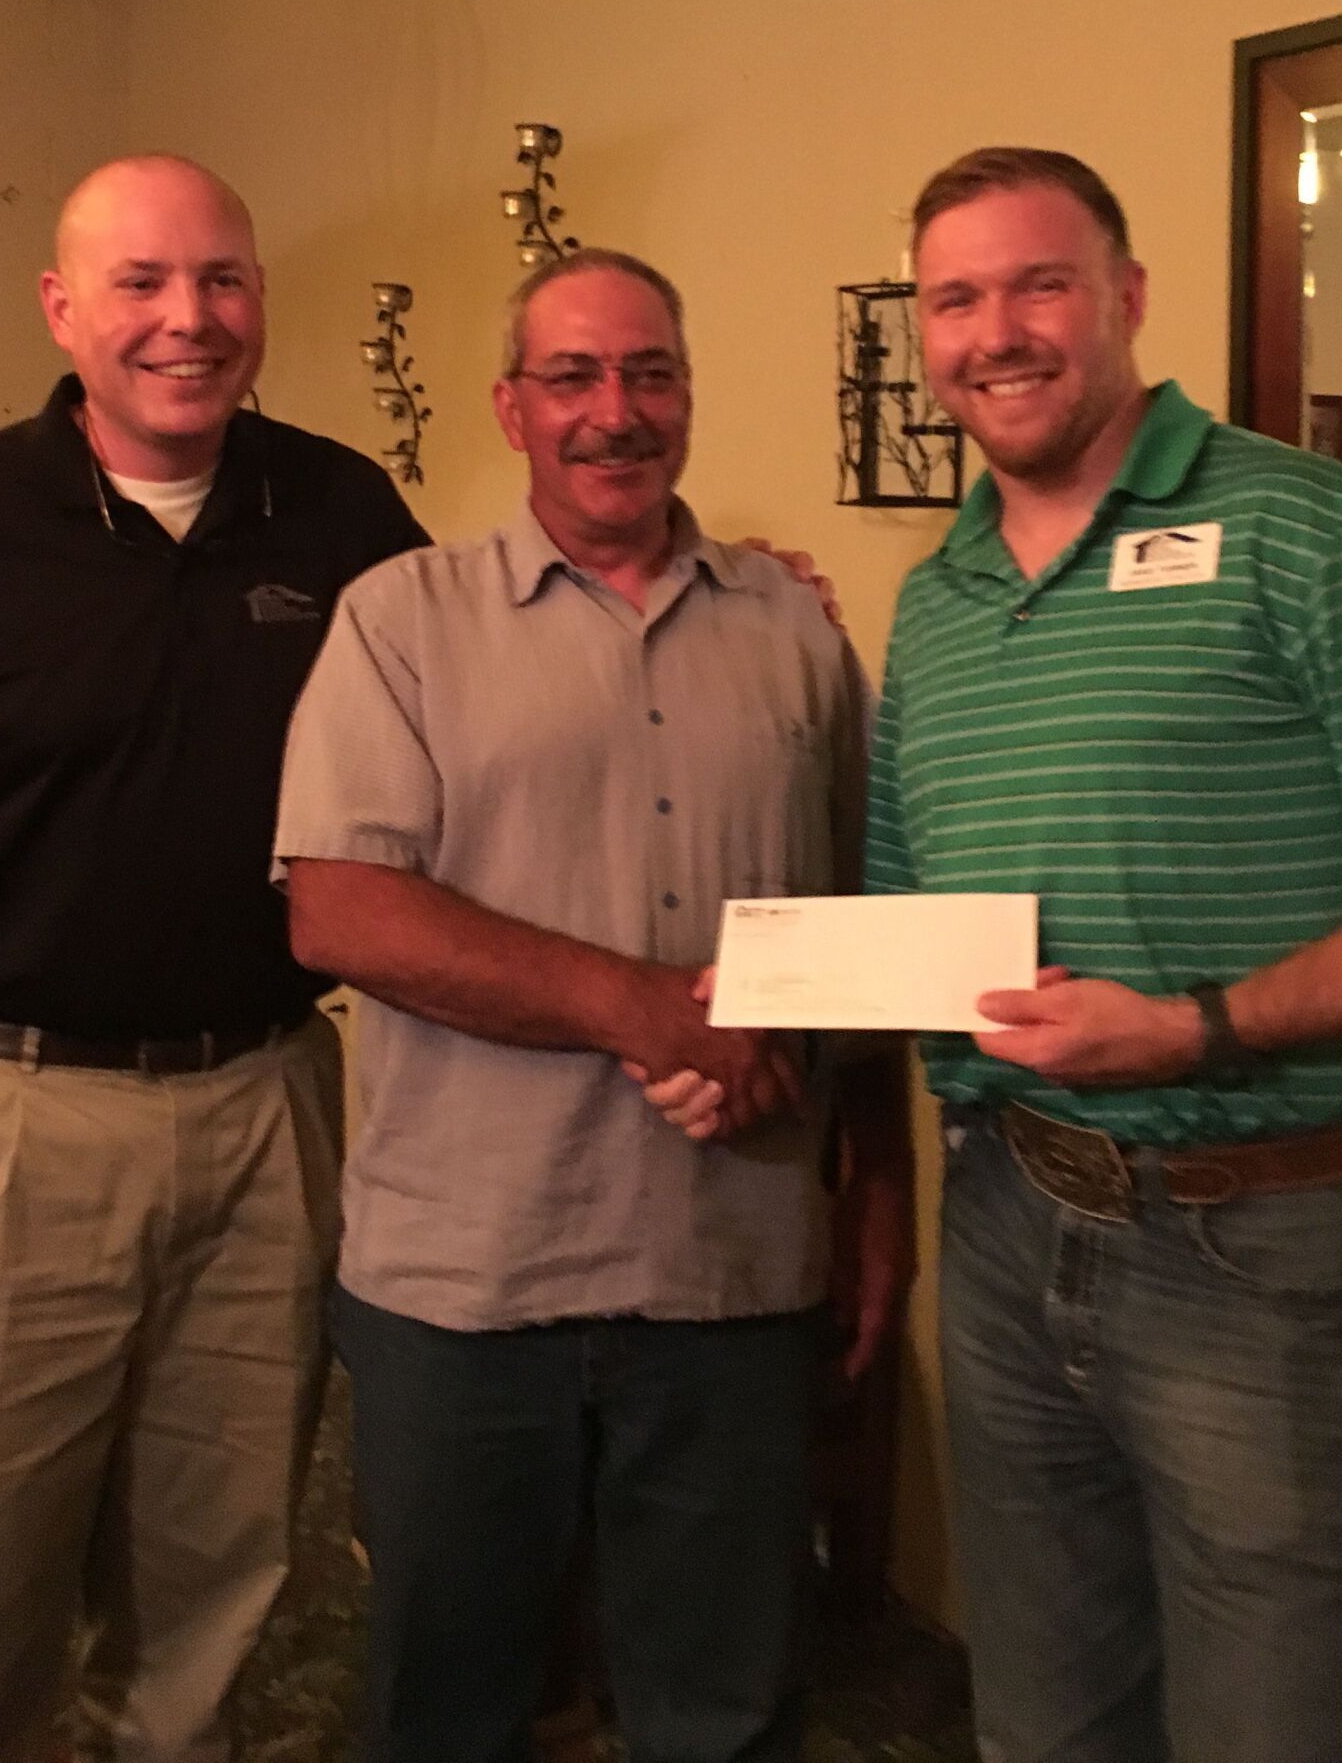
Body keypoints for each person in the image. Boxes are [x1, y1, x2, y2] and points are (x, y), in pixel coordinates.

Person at [866, 144, 1342, 1763]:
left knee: (1291, 1732)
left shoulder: (1314, 533)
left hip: (1270, 1254)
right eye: (955, 299)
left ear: (1123, 296)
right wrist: (743, 1016)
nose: (997, 332)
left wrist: (1200, 1027)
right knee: (1048, 1723)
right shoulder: (942, 597)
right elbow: (911, 923)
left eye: (1038, 283)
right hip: (1007, 1220)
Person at [0, 154, 427, 1763]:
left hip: (270, 1111)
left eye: (224, 280)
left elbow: (491, 713)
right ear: (63, 309)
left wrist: (708, 572)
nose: (190, 320)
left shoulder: (345, 518)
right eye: (142, 283)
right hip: (3, 1126)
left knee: (215, 1580)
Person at [278, 246, 913, 1763]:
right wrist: (649, 1009)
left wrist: (877, 1180)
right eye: (572, 376)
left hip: (731, 1275)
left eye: (648, 374)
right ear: (511, 407)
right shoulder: (400, 620)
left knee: (727, 1708)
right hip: (466, 1286)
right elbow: (340, 906)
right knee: (451, 1708)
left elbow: (856, 924)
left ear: (687, 395)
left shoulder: (798, 632)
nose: (613, 412)